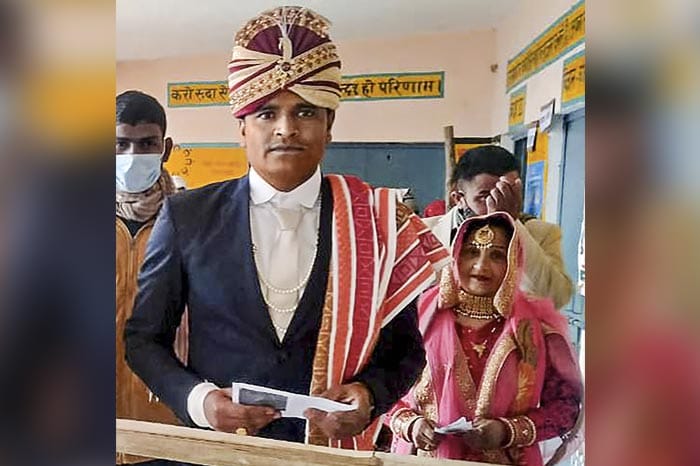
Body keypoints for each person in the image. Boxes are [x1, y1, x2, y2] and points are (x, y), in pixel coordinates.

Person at [125, 5, 449, 451]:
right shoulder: (188, 216)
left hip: (330, 455)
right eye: (267, 113)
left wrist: (369, 395)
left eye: (306, 113)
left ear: (329, 125)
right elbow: (143, 340)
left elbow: (406, 351)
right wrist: (200, 403)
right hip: (217, 453)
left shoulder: (376, 222)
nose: (285, 129)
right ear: (242, 127)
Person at [388, 212, 582, 465]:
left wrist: (506, 431)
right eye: (471, 252)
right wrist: (410, 425)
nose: (480, 266)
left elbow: (565, 409)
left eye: (497, 255)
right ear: (456, 254)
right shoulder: (420, 317)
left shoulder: (537, 331)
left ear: (513, 261)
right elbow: (386, 391)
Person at [116, 90, 187, 463]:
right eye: (120, 144)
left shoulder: (191, 223)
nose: (132, 157)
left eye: (146, 144)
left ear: (167, 148)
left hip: (165, 420)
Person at [423, 145, 573, 309]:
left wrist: (511, 225)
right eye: (485, 196)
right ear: (458, 198)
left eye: (508, 192)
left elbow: (555, 299)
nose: (496, 203)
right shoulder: (423, 233)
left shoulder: (542, 233)